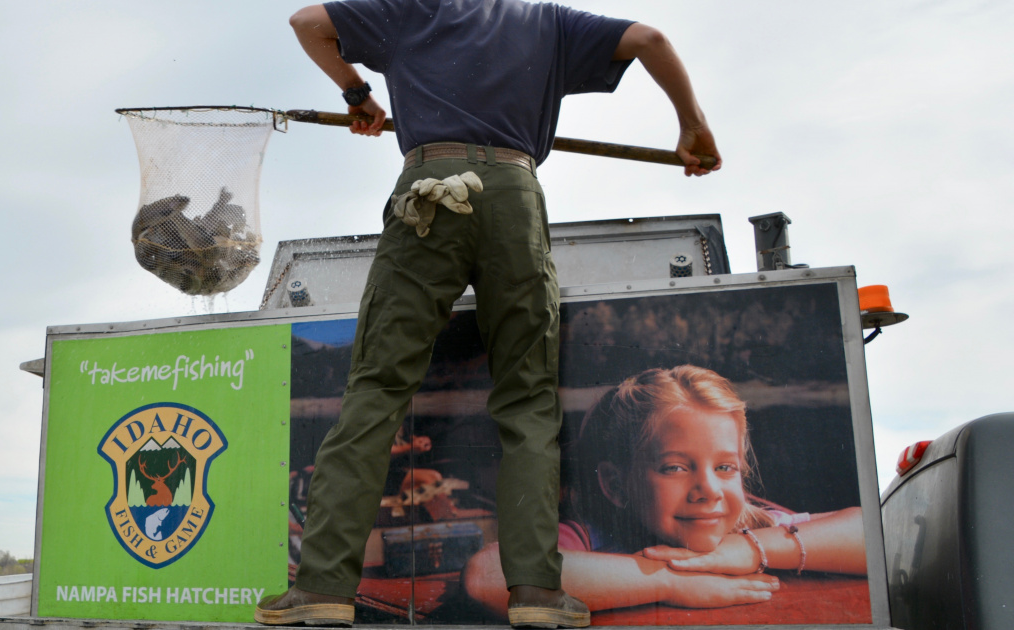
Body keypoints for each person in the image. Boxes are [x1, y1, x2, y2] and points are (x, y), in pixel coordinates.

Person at [257, 1, 721, 627]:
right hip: (513, 193)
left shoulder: (412, 12)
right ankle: (536, 594)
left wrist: (358, 94)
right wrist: (693, 126)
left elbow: (307, 23)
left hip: (429, 187)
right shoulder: (549, 23)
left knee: (376, 391)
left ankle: (322, 587)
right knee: (527, 401)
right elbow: (650, 39)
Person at [463, 365, 867, 615]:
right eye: (675, 467)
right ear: (616, 485)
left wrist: (747, 549)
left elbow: (870, 533)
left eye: (725, 467)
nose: (709, 490)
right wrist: (670, 580)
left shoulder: (754, 527)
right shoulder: (589, 537)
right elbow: (487, 576)